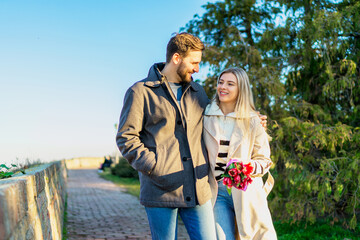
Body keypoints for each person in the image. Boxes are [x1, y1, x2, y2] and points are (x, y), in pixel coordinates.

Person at [116, 33, 217, 239]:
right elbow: (126, 137)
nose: (197, 69)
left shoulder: (199, 92)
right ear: (177, 58)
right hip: (160, 190)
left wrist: (250, 120)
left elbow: (216, 122)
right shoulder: (140, 92)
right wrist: (155, 166)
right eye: (194, 62)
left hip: (198, 189)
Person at [203, 67, 277, 240]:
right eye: (221, 82)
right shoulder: (205, 115)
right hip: (216, 192)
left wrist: (246, 167)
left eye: (230, 84)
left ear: (241, 88)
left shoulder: (252, 121)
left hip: (246, 192)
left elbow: (265, 160)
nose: (223, 87)